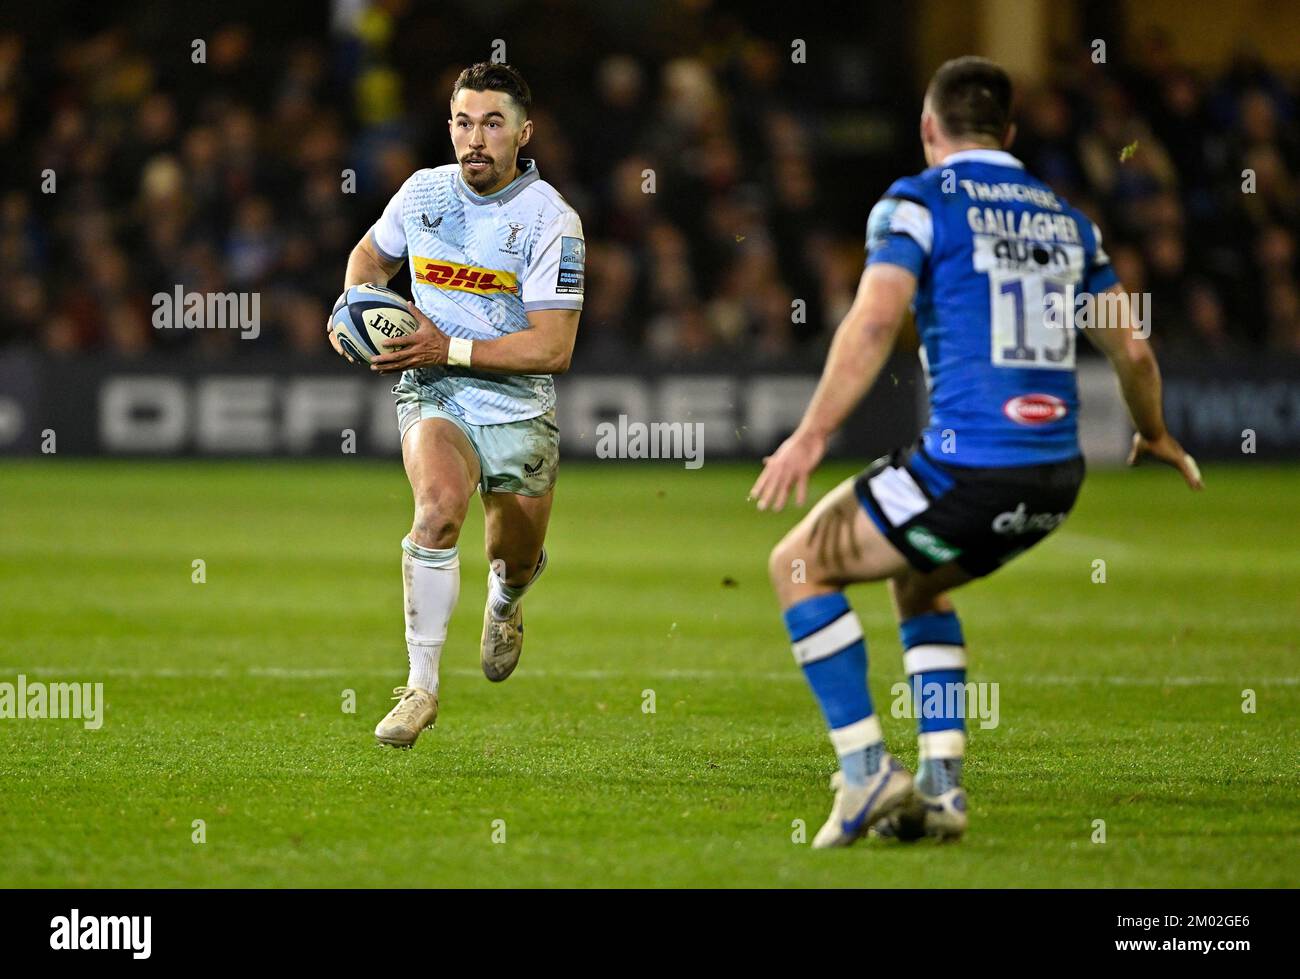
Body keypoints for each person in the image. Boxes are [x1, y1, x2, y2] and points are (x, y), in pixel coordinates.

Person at [749, 56, 1202, 847]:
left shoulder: (918, 204)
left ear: (929, 129)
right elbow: (1133, 352)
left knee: (797, 565)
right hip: (1056, 478)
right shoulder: (1068, 219)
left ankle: (863, 772)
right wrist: (1155, 431)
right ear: (1011, 134)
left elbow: (872, 320)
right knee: (920, 583)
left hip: (969, 466)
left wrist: (813, 432)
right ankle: (942, 788)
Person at [328, 62, 585, 748]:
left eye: (493, 123)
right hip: (433, 392)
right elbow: (369, 257)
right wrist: (350, 306)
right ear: (449, 128)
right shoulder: (421, 194)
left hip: (517, 406)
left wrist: (451, 346)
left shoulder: (551, 220)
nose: (476, 138)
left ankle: (508, 599)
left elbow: (553, 346)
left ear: (522, 134)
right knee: (438, 511)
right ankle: (420, 687)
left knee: (513, 557)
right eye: (465, 123)